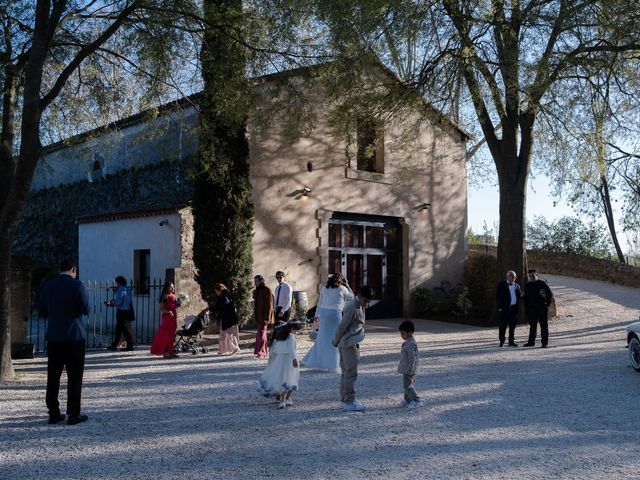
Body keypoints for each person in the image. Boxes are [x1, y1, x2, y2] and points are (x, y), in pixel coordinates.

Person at [38, 258, 90, 426]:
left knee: (53, 377)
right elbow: (86, 309)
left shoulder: (48, 286)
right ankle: (73, 414)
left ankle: (53, 413)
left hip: (54, 337)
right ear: (73, 269)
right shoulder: (78, 285)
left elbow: (42, 311)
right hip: (74, 336)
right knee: (74, 376)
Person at [332, 285, 373, 412]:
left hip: (350, 342)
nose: (366, 304)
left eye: (368, 302)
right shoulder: (352, 306)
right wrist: (336, 341)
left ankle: (345, 399)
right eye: (365, 301)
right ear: (359, 296)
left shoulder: (359, 305)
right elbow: (342, 326)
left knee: (346, 373)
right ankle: (349, 401)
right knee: (350, 373)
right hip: (348, 343)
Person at [301, 273, 354, 371]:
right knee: (335, 338)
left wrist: (316, 316)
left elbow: (320, 303)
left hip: (324, 314)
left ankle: (320, 360)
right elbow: (352, 297)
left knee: (323, 338)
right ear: (341, 281)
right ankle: (333, 363)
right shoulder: (342, 289)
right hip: (335, 314)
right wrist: (347, 285)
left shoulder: (324, 288)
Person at [258, 320, 302, 409]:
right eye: (297, 330)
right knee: (291, 378)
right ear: (292, 329)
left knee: (282, 379)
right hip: (289, 359)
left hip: (280, 359)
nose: (297, 332)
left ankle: (285, 399)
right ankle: (285, 399)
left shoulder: (280, 337)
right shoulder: (291, 337)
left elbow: (276, 349)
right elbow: (291, 350)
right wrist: (294, 359)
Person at [522, 269, 554, 348]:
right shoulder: (528, 285)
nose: (531, 277)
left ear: (536, 274)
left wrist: (547, 304)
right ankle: (531, 342)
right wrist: (527, 307)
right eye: (529, 276)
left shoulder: (542, 284)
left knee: (544, 326)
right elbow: (525, 298)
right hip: (532, 309)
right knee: (532, 326)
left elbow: (549, 294)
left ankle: (544, 343)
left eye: (532, 275)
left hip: (542, 308)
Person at [397, 320, 424, 409]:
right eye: (401, 333)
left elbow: (412, 359)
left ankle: (417, 400)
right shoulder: (408, 341)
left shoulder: (410, 344)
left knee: (407, 386)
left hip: (410, 369)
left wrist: (410, 369)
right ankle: (408, 400)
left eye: (403, 333)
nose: (401, 335)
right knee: (406, 385)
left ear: (410, 332)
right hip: (408, 368)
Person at [150, 282, 180, 359]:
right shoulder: (164, 296)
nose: (172, 288)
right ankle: (165, 352)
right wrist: (169, 312)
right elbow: (161, 308)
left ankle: (171, 351)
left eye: (173, 287)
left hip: (173, 317)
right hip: (167, 318)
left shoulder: (173, 296)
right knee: (166, 335)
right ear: (166, 288)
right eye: (170, 287)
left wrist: (178, 304)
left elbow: (174, 306)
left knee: (172, 335)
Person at [106, 276, 135, 351]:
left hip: (121, 311)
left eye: (117, 283)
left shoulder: (120, 290)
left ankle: (130, 345)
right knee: (119, 328)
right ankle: (114, 345)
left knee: (123, 329)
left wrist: (111, 303)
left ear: (119, 282)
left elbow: (118, 301)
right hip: (127, 310)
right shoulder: (128, 289)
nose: (116, 284)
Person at [496, 270, 522, 347]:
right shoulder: (501, 284)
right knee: (502, 326)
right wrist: (500, 308)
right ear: (507, 276)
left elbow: (519, 296)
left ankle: (511, 341)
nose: (512, 277)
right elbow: (498, 297)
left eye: (513, 276)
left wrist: (522, 295)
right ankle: (502, 341)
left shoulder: (517, 285)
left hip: (514, 309)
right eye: (510, 275)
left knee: (512, 327)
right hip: (504, 309)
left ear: (515, 277)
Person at [213, 283, 240, 355]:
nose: (216, 293)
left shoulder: (224, 297)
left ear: (220, 290)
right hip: (228, 318)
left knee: (228, 334)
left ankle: (235, 348)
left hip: (228, 318)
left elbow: (220, 306)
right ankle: (223, 350)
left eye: (216, 291)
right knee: (224, 334)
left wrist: (212, 308)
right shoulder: (227, 296)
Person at [253, 275, 274, 358]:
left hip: (264, 316)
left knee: (260, 334)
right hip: (259, 316)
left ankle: (261, 352)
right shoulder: (258, 290)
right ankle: (263, 352)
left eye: (256, 281)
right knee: (262, 334)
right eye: (254, 281)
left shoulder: (266, 290)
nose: (255, 283)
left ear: (261, 281)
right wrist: (254, 294)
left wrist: (267, 318)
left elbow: (269, 305)